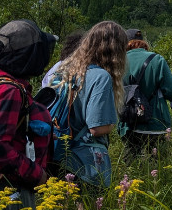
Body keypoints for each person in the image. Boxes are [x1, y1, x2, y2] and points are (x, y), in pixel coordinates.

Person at [0, 19, 58, 210]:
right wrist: (37, 174)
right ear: (28, 56)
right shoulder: (8, 90)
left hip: (2, 187)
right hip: (6, 192)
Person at [52, 20, 127, 188]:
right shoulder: (100, 76)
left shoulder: (63, 71)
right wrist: (112, 123)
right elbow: (97, 128)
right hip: (84, 162)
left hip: (56, 153)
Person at [118, 29, 172, 158]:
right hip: (155, 122)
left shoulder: (118, 62)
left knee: (130, 166)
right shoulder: (157, 60)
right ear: (143, 43)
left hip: (128, 122)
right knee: (155, 167)